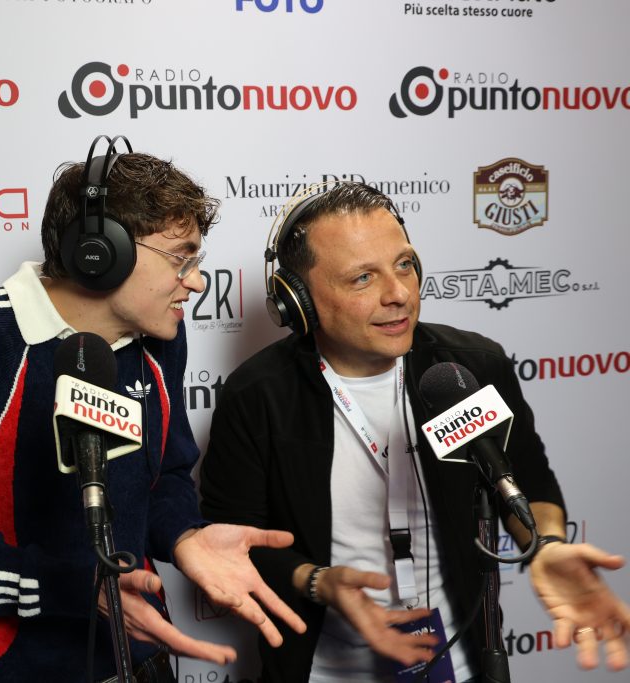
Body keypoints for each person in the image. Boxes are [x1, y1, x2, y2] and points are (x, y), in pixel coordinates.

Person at [0, 137, 306, 683]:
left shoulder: (160, 336)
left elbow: (164, 479)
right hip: (15, 669)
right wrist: (70, 588)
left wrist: (185, 537)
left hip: (140, 657)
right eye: (181, 258)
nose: (196, 281)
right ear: (99, 252)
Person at [200, 182, 630, 682]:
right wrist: (318, 581)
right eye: (363, 277)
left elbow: (529, 484)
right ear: (299, 301)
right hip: (322, 672)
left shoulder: (469, 369)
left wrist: (546, 546)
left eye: (404, 264)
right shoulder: (257, 395)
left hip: (466, 666)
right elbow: (234, 541)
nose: (399, 294)